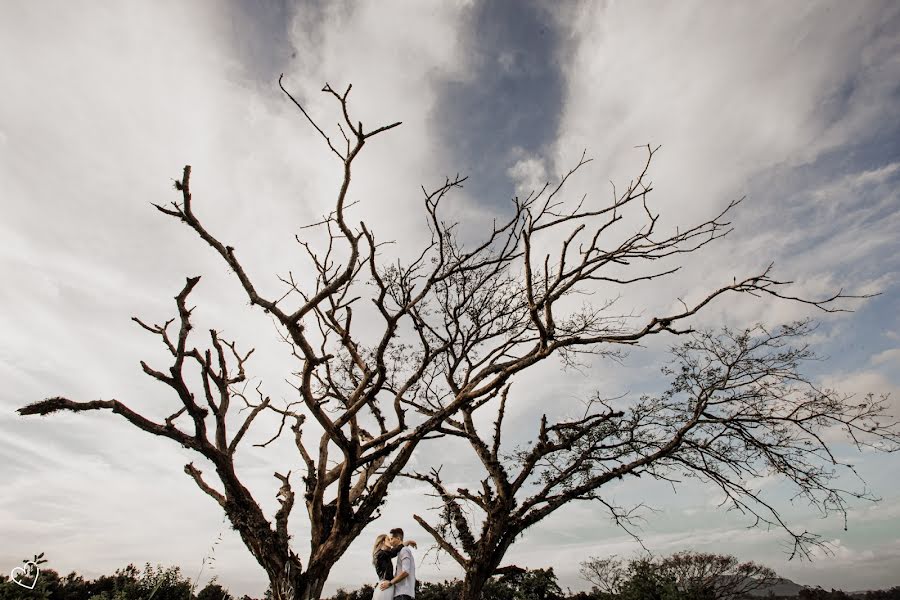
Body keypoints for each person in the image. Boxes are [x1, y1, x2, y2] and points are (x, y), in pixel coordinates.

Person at [371, 532, 417, 599]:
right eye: (388, 539)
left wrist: (407, 543)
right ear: (383, 542)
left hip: (386, 586)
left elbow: (395, 551)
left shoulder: (384, 555)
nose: (390, 542)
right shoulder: (381, 554)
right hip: (385, 586)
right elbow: (395, 551)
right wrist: (408, 542)